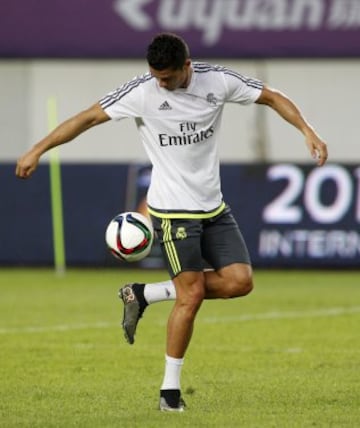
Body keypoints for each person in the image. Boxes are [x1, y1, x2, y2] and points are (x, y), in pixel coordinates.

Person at [16, 32, 328, 412]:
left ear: (186, 65)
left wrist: (308, 131)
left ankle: (144, 293)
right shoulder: (141, 92)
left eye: (168, 77)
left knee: (240, 282)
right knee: (192, 295)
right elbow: (87, 118)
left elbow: (273, 96)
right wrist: (37, 149)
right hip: (172, 212)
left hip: (214, 208)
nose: (161, 84)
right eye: (156, 76)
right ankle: (169, 394)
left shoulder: (218, 81)